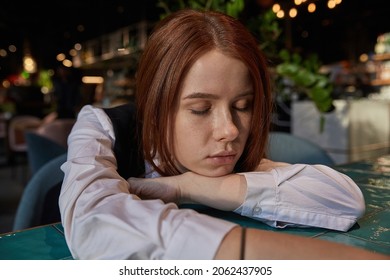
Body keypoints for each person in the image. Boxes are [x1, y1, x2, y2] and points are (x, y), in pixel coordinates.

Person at [59, 9, 388, 260]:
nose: (229, 130)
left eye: (243, 106)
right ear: (155, 105)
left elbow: (345, 200)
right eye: (200, 109)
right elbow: (94, 221)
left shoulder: (230, 159)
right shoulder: (101, 126)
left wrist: (191, 186)